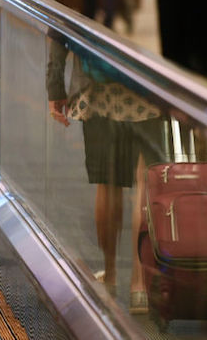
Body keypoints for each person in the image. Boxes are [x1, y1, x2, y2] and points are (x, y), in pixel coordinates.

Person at [46, 33, 162, 311]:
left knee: (107, 185)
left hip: (99, 88)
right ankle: (139, 287)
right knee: (144, 185)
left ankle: (110, 275)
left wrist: (55, 86)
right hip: (149, 84)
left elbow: (61, 25)